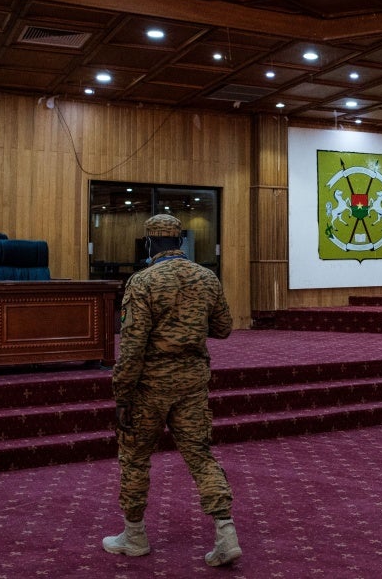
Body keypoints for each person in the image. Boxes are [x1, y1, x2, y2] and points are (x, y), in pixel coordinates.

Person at [102, 213, 241, 567]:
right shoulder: (207, 277)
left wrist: (122, 394)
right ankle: (225, 532)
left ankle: (133, 536)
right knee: (200, 455)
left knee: (134, 458)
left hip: (149, 387)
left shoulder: (142, 281)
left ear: (149, 243)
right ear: (179, 242)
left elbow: (132, 346)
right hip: (192, 383)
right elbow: (224, 328)